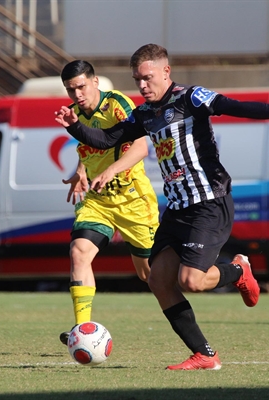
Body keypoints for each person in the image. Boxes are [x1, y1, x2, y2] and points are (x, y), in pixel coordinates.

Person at [55, 44, 269, 370]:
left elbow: (231, 105)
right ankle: (205, 354)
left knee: (191, 280)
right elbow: (107, 139)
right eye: (137, 80)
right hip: (177, 208)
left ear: (166, 72)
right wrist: (73, 126)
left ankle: (237, 270)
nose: (142, 86)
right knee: (159, 280)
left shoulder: (190, 98)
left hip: (209, 201)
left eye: (147, 78)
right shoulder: (145, 114)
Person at [58, 60, 160, 345]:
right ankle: (82, 331)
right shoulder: (75, 114)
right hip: (98, 200)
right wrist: (80, 171)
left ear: (94, 82)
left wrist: (111, 170)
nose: (77, 94)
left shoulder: (117, 105)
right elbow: (89, 145)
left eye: (81, 86)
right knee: (79, 252)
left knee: (151, 276)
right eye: (70, 89)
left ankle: (232, 272)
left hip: (133, 200)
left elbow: (140, 147)